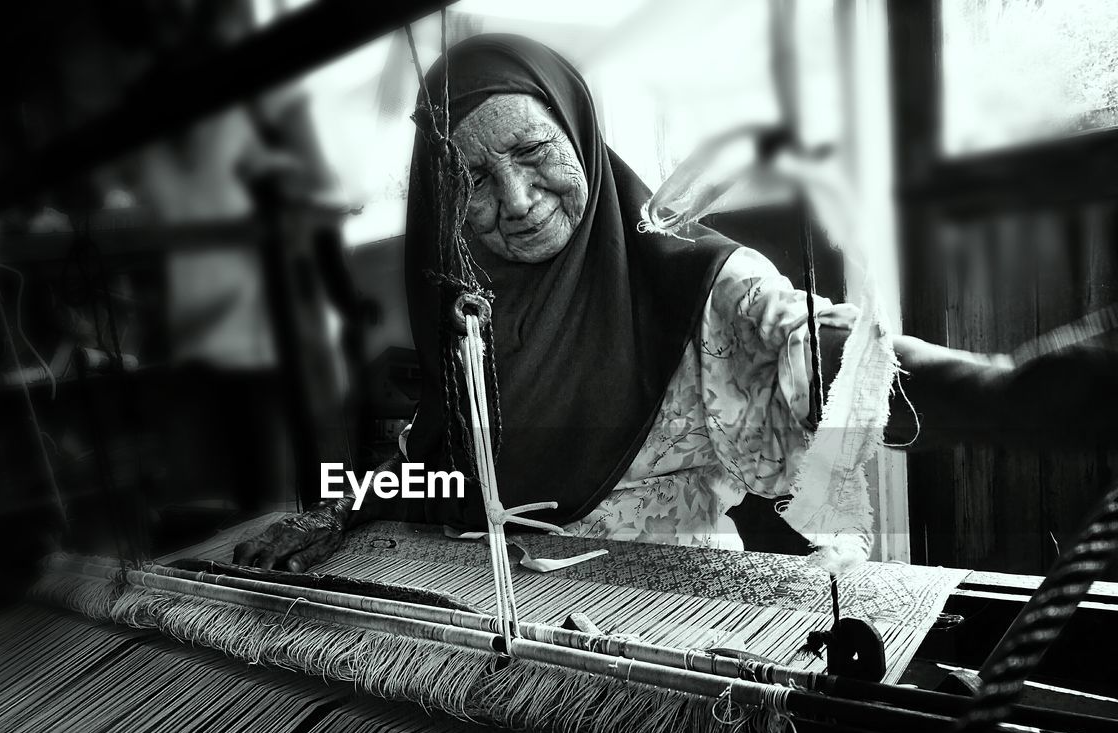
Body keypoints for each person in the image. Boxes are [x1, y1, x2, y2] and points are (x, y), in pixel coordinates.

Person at [233, 34, 1117, 573]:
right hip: (495, 623)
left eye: (537, 151)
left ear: (578, 130)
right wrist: (331, 509)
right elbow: (437, 461)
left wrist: (1033, 390)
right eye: (471, 181)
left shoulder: (691, 284)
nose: (515, 198)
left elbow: (826, 353)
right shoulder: (460, 304)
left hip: (670, 630)